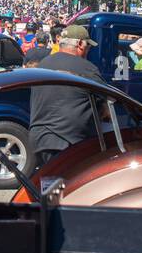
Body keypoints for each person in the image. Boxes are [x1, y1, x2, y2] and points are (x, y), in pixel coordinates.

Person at [28, 25, 104, 164]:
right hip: (67, 142)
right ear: (80, 44)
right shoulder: (87, 68)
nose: (88, 50)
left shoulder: (44, 64)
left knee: (51, 182)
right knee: (71, 183)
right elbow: (104, 103)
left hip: (39, 138)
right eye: (88, 46)